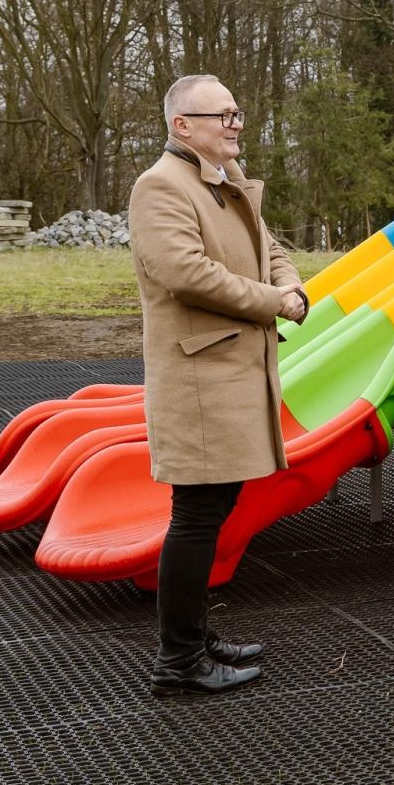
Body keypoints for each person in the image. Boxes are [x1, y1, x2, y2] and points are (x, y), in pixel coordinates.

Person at [129, 74, 307, 696]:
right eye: (222, 113)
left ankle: (193, 637)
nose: (236, 122)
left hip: (232, 372)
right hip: (201, 379)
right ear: (183, 125)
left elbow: (271, 247)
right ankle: (177, 662)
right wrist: (274, 302)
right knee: (197, 518)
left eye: (237, 111)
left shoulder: (225, 182)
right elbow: (187, 274)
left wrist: (292, 286)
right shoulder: (161, 186)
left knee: (213, 512)